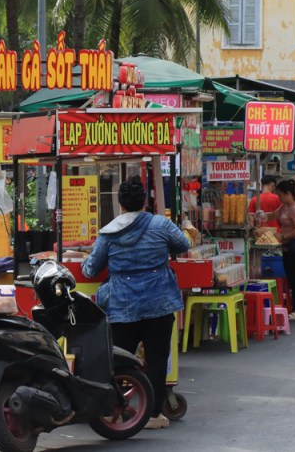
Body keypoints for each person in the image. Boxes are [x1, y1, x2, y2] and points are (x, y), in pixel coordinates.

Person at [82, 175, 191, 430]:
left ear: (120, 204)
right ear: (144, 202)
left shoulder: (108, 233)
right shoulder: (161, 224)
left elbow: (90, 270)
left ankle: (118, 412)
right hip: (159, 303)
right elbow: (183, 244)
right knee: (157, 359)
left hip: (123, 306)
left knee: (119, 361)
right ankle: (153, 414)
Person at [257, 180, 295, 320]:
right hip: (286, 246)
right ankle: (294, 308)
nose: (278, 198)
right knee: (290, 276)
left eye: (280, 195)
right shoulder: (284, 207)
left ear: (288, 194)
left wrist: (283, 236)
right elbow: (274, 215)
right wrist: (262, 216)